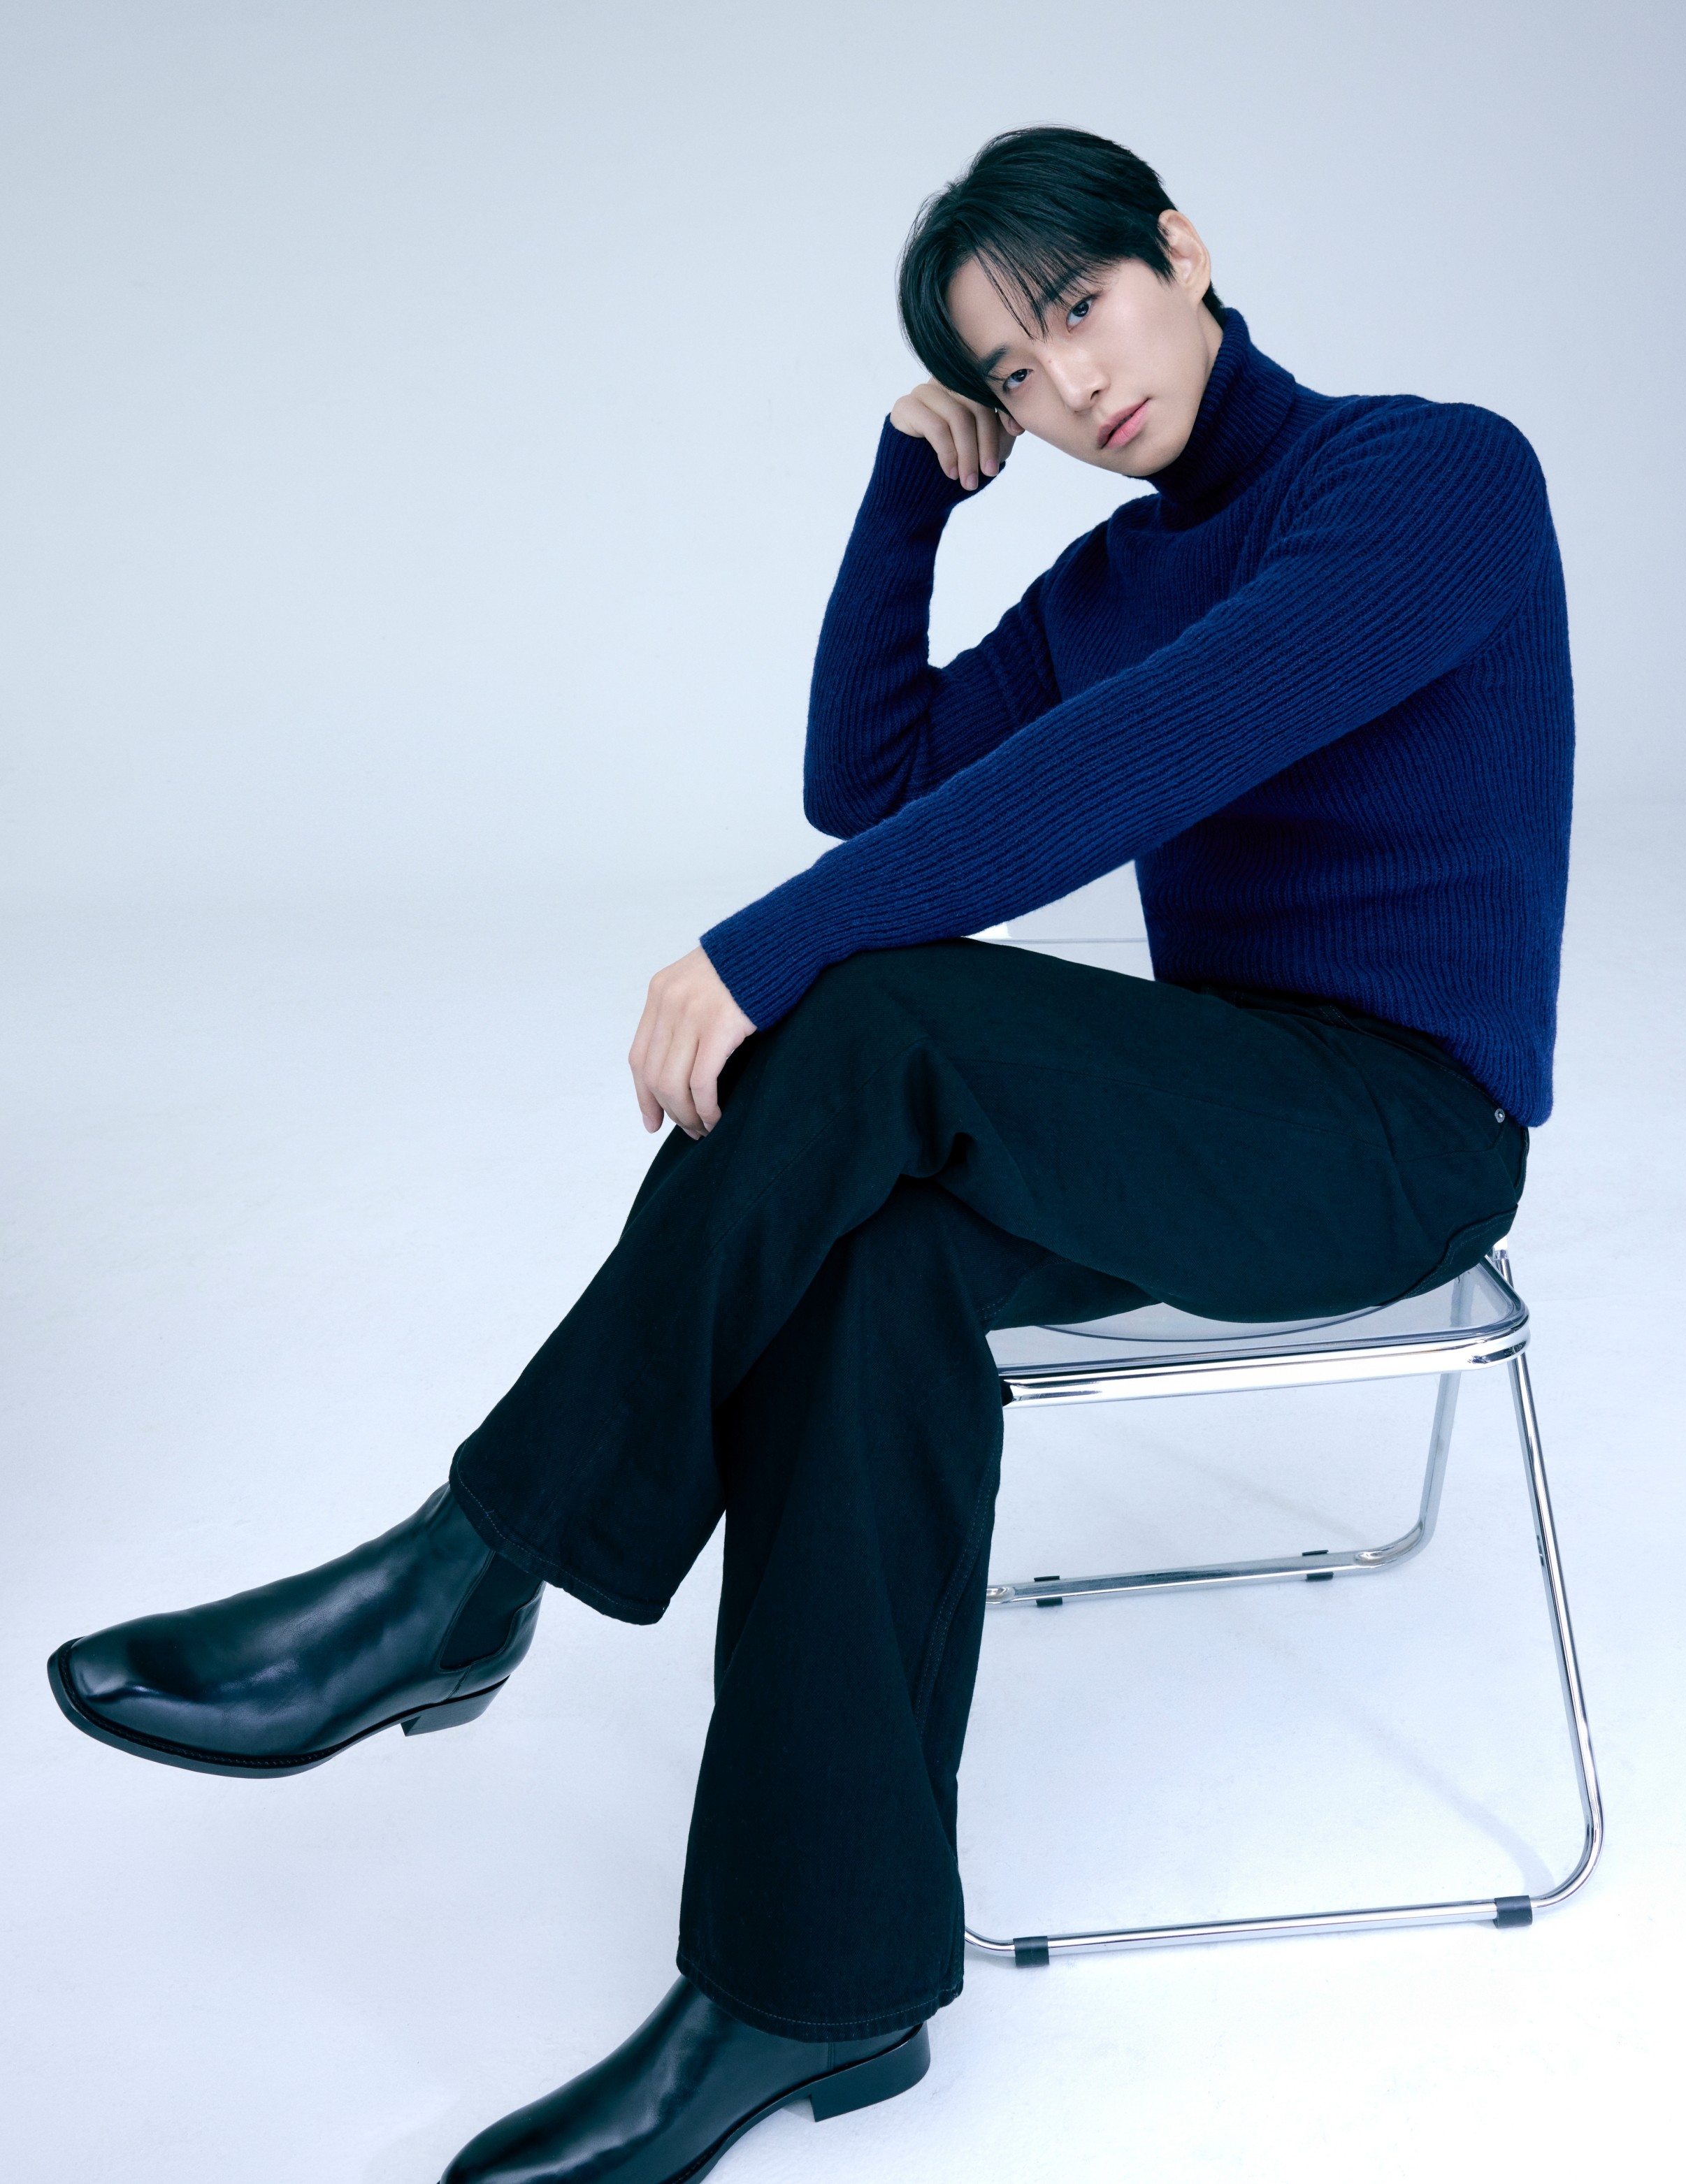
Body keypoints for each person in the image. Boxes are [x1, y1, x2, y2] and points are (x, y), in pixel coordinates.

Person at [45, 124, 1572, 2183]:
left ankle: (467, 1569)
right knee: (871, 1256)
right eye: (1013, 371)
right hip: (1206, 1106)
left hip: (1396, 1134)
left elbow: (1148, 754)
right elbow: (872, 780)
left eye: (1080, 309)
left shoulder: (1430, 477)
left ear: (1183, 251)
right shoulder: (1111, 579)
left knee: (868, 1010)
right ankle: (811, 1984)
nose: (1071, 383)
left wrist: (758, 956)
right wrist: (907, 491)